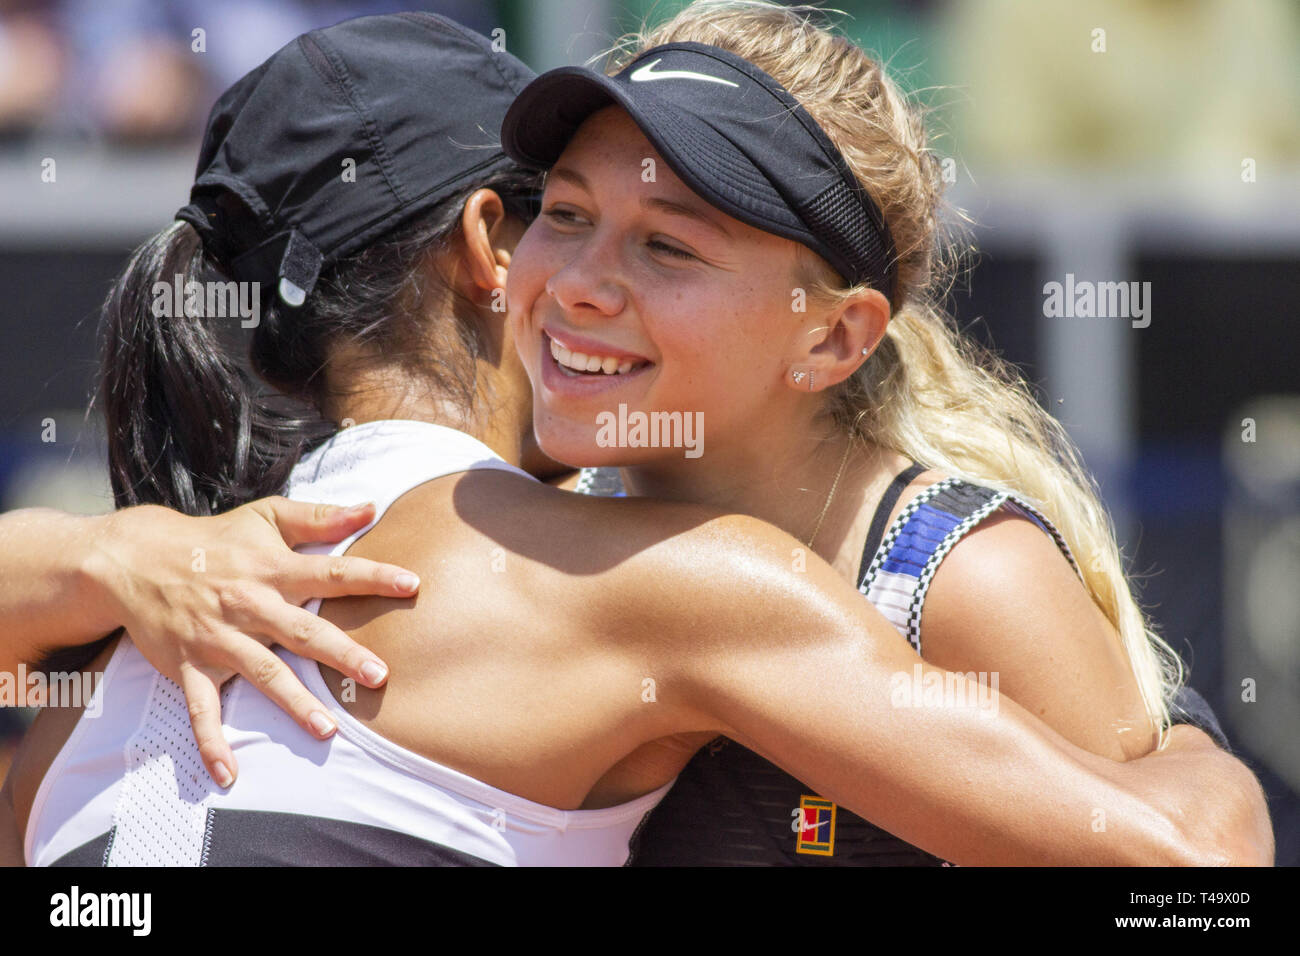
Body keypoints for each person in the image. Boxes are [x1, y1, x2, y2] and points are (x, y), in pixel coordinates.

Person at [0, 11, 1270, 866]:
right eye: (563, 212)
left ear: (834, 337)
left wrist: (87, 558)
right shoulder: (636, 574)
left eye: (667, 244)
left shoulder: (952, 567)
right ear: (491, 251)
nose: (585, 283)